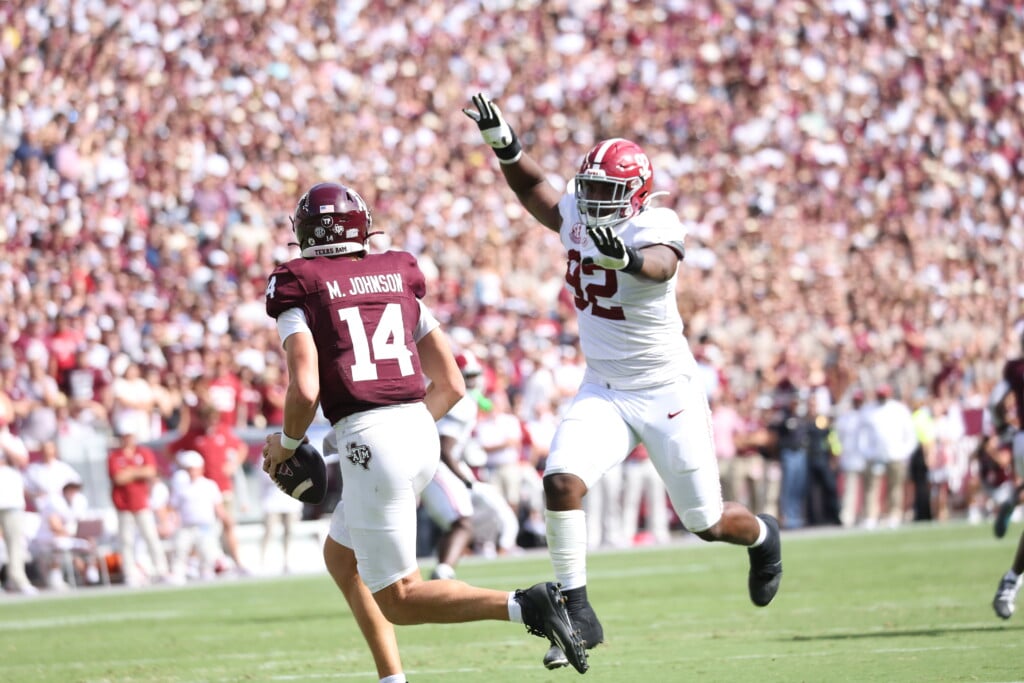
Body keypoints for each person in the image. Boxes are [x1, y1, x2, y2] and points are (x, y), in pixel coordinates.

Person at [463, 93, 783, 670]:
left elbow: (661, 264)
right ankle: (579, 609)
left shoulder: (654, 224)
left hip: (667, 392)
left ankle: (763, 537)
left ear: (636, 194)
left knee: (705, 522)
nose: (591, 203)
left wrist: (626, 262)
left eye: (606, 193)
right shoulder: (580, 218)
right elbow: (532, 189)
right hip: (606, 389)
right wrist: (502, 141)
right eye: (587, 191)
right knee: (560, 481)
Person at [261, 181, 589, 681]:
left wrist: (285, 445)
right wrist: (400, 430)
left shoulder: (298, 282)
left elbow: (305, 390)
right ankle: (392, 678)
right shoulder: (395, 273)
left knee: (402, 600)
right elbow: (452, 383)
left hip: (373, 437)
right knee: (340, 558)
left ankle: (527, 605)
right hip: (419, 427)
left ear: (303, 233)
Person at [420, 351, 482, 580]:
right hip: (434, 462)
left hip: (430, 460)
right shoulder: (462, 401)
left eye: (475, 374)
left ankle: (443, 571)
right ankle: (443, 572)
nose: (473, 380)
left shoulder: (440, 390)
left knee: (459, 522)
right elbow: (445, 447)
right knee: (463, 522)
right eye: (469, 375)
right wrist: (465, 477)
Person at [989, 333, 1024, 619]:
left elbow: (995, 404)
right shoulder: (1016, 370)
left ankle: (1013, 498)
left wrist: (1003, 429)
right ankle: (1011, 581)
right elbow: (996, 402)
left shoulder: (1015, 368)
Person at [107, 429, 170, 586]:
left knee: (151, 536)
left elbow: (150, 471)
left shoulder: (143, 452)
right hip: (123, 504)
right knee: (126, 540)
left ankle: (161, 569)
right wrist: (138, 472)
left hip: (141, 502)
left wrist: (130, 472)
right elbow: (118, 478)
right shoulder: (115, 456)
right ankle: (129, 572)